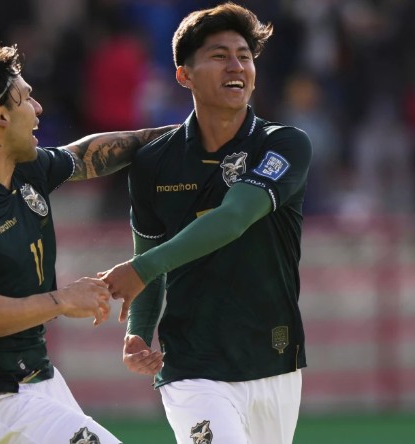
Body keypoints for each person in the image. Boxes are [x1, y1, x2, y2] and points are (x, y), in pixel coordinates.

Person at [0, 38, 174, 444]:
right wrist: (62, 300)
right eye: (26, 98)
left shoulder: (24, 170)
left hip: (41, 383)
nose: (37, 109)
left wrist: (182, 137)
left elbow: (85, 156)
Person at [100, 3, 312, 443]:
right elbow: (149, 258)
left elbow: (233, 218)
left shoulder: (284, 145)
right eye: (219, 55)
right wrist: (138, 333)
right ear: (185, 75)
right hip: (191, 366)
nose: (236, 66)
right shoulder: (154, 163)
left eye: (244, 56)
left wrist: (141, 269)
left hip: (273, 358)